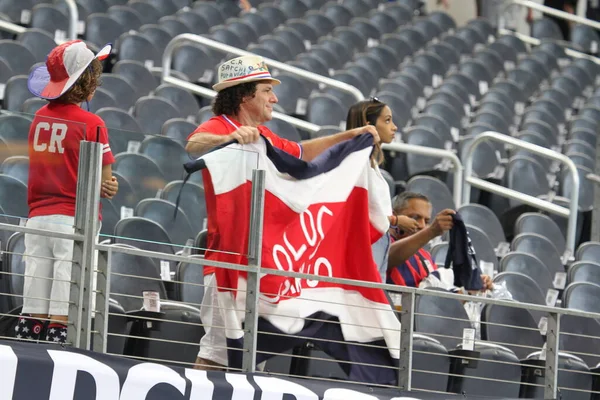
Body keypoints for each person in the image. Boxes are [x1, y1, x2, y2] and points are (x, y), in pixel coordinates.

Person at [186, 55, 380, 371]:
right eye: (266, 90)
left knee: (252, 361)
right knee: (216, 356)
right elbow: (194, 144)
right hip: (230, 263)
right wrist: (229, 139)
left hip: (264, 265)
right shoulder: (222, 126)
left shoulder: (268, 138)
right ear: (244, 94)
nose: (274, 98)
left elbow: (304, 153)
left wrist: (348, 137)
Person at [16, 40, 118, 344]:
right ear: (87, 80)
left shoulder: (39, 117)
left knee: (34, 307)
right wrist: (108, 185)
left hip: (37, 220)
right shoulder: (93, 123)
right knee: (65, 309)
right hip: (74, 221)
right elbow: (106, 182)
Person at [344, 98, 419, 281]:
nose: (394, 127)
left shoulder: (370, 166)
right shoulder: (356, 164)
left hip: (378, 242)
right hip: (363, 246)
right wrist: (396, 220)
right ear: (369, 125)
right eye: (387, 121)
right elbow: (355, 214)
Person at [386, 192, 493, 291]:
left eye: (427, 221)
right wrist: (431, 231)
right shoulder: (380, 242)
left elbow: (432, 295)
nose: (422, 225)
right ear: (394, 215)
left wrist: (471, 286)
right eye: (415, 217)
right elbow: (386, 258)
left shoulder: (425, 256)